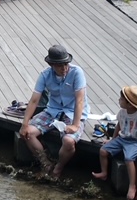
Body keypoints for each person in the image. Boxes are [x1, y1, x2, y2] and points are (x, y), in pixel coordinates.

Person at [19, 43, 88, 178]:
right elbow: (34, 100)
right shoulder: (45, 75)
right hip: (53, 110)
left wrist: (75, 125)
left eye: (66, 64)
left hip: (72, 112)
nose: (64, 68)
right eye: (60, 65)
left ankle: (58, 168)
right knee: (28, 133)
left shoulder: (77, 72)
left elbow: (79, 100)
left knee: (69, 141)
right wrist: (25, 124)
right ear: (52, 65)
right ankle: (45, 163)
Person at [91, 85, 137, 200]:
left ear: (129, 104)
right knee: (103, 151)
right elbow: (118, 125)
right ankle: (104, 172)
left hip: (134, 141)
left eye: (121, 99)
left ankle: (132, 185)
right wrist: (113, 139)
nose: (119, 100)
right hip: (122, 138)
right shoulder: (122, 112)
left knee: (129, 159)